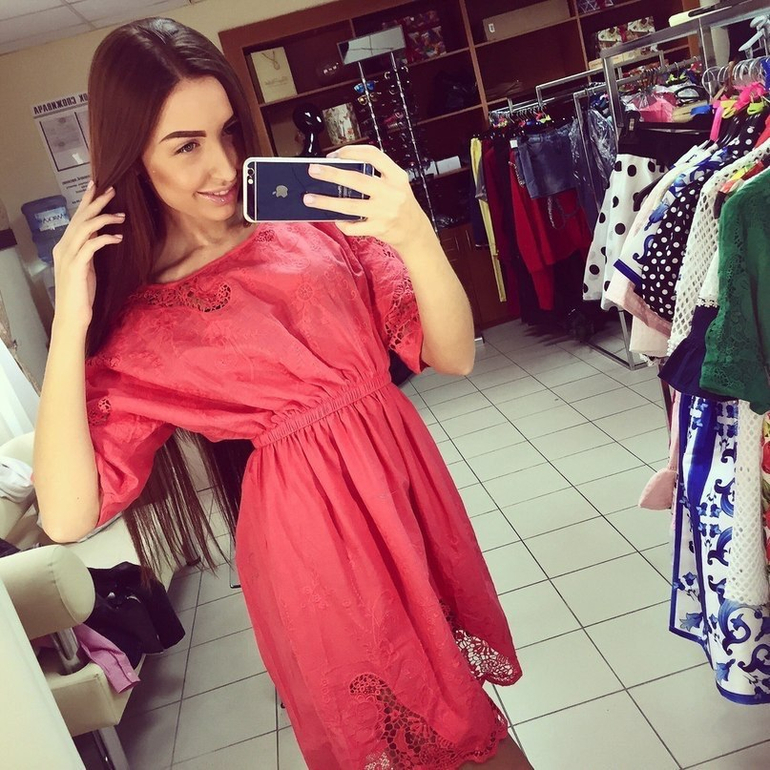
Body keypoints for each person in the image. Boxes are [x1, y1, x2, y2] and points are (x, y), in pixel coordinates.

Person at [33, 17, 531, 770]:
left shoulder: (310, 218)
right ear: (134, 155)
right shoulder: (144, 321)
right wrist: (70, 321)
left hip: (405, 491)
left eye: (229, 132)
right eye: (186, 145)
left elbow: (453, 352)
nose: (223, 166)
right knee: (425, 741)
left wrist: (410, 230)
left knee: (463, 716)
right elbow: (68, 515)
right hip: (313, 542)